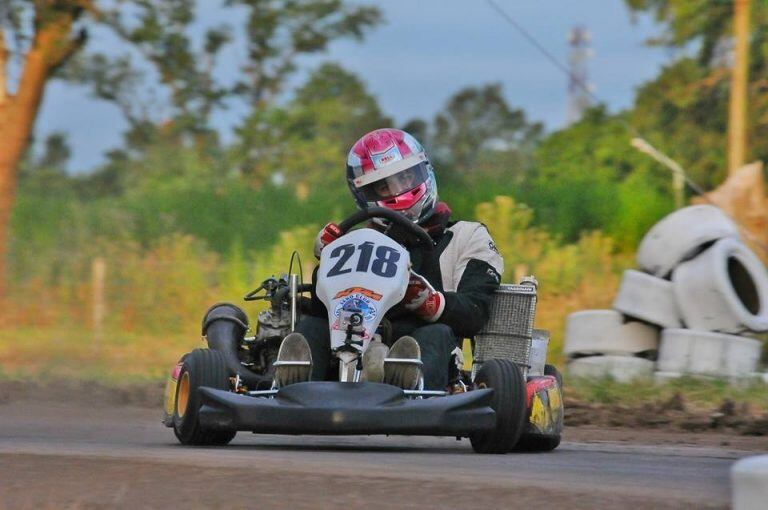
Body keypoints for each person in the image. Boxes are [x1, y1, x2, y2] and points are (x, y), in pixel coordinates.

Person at [275, 128, 503, 391]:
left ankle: (405, 379)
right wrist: (327, 259)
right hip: (349, 342)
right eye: (384, 186)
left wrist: (431, 303)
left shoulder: (467, 236)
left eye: (406, 177)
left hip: (423, 342)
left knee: (435, 334)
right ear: (366, 195)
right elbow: (320, 308)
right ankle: (292, 387)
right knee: (312, 327)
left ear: (423, 172)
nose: (399, 191)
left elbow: (476, 311)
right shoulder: (359, 240)